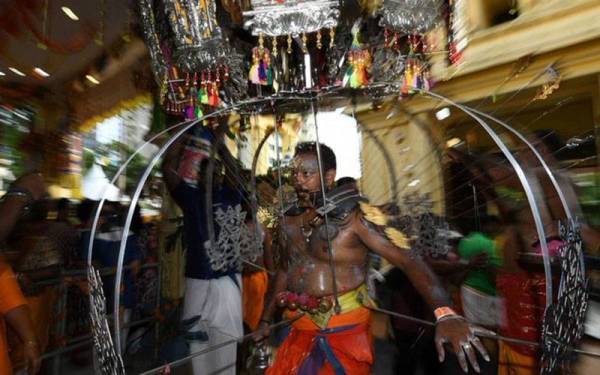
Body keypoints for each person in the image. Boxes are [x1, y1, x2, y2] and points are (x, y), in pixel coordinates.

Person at [255, 142, 490, 374]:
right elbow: (284, 272)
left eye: (306, 173)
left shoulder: (356, 219)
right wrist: (265, 320)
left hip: (344, 328)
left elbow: (408, 260)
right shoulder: (289, 222)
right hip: (297, 327)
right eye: (294, 173)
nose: (298, 180)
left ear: (329, 176)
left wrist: (445, 312)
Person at [162, 125, 243, 375]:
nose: (213, 175)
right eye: (207, 171)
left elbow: (237, 173)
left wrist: (220, 145)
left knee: (226, 344)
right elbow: (168, 172)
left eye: (217, 171)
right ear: (197, 175)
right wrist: (181, 138)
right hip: (198, 277)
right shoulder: (190, 197)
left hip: (226, 278)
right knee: (198, 344)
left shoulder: (230, 195)